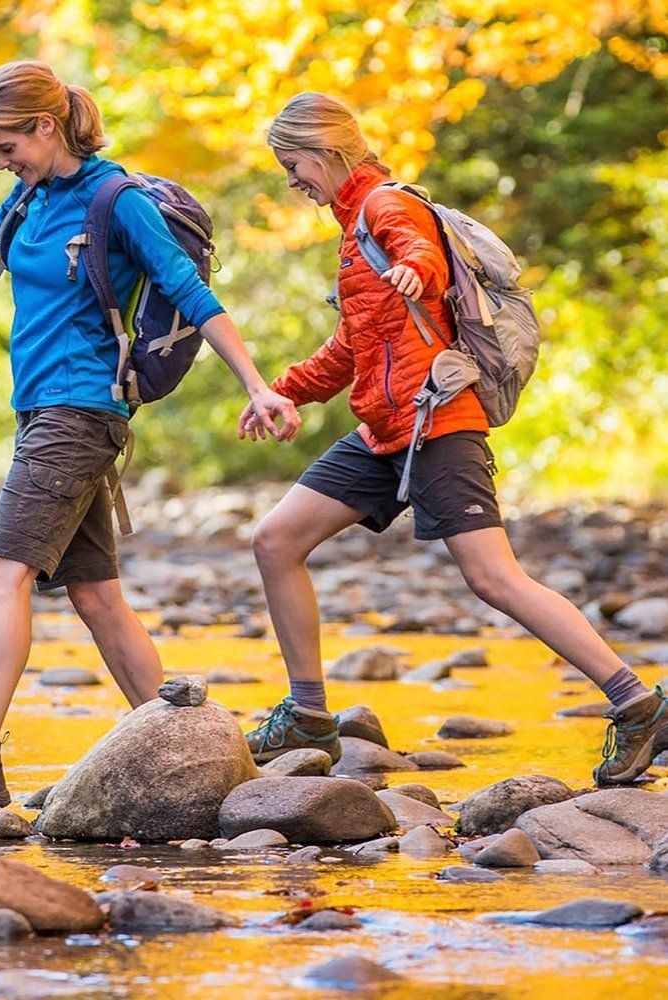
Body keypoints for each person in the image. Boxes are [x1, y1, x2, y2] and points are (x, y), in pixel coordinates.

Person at [0, 60, 300, 810]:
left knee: (1, 575)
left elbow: (191, 291)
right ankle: (189, 749)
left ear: (45, 127)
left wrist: (256, 384)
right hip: (44, 412)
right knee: (93, 592)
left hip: (80, 413)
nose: (1, 163)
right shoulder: (31, 198)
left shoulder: (115, 201)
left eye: (6, 147)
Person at [239, 92, 667, 787]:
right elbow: (351, 345)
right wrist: (282, 392)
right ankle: (309, 716)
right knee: (275, 540)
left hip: (439, 421)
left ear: (324, 150)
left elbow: (422, 254)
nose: (291, 181)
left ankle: (637, 704)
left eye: (293, 165)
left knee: (493, 577)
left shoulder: (384, 206)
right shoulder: (352, 232)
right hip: (384, 430)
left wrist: (415, 266)